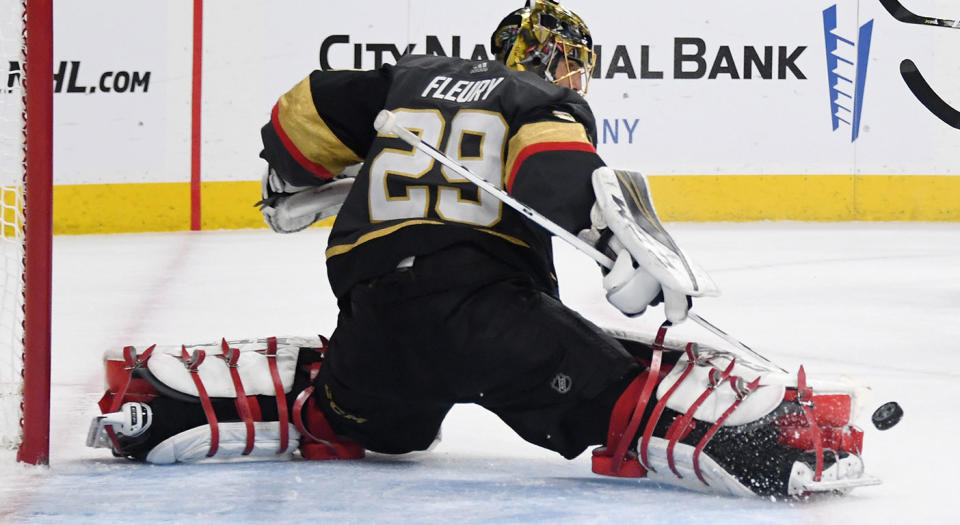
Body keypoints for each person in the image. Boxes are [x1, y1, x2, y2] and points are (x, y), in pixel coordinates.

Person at [88, 1, 871, 498]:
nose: (575, 78)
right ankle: (770, 440)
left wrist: (291, 175)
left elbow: (299, 118)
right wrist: (615, 243)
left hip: (372, 316)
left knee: (366, 420)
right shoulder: (538, 98)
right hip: (488, 315)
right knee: (620, 398)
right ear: (538, 54)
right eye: (568, 61)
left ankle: (176, 402)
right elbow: (558, 171)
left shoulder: (408, 77)